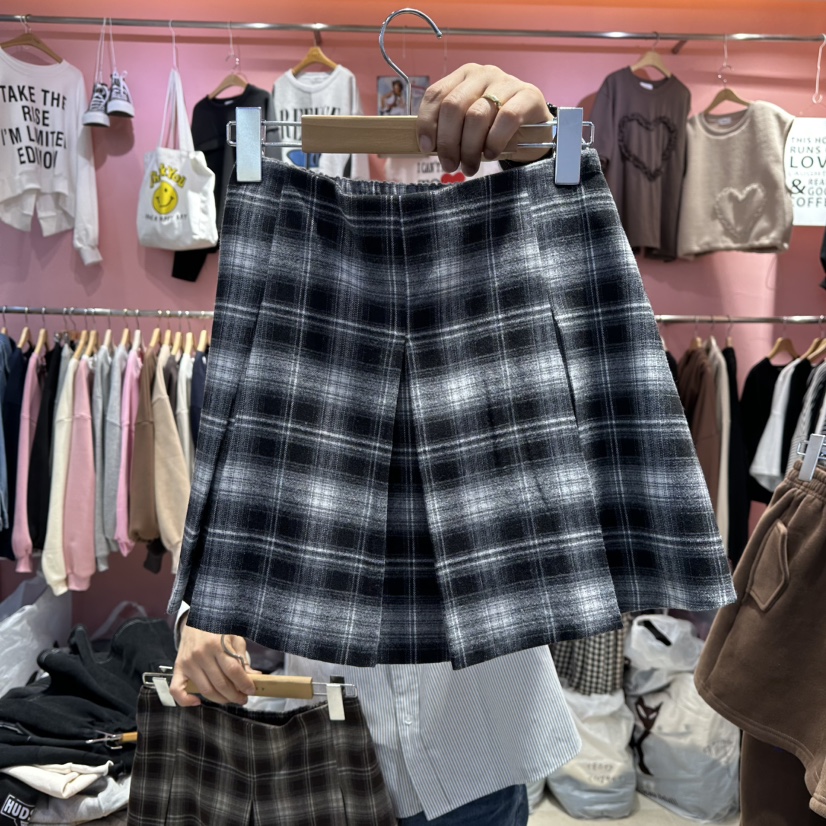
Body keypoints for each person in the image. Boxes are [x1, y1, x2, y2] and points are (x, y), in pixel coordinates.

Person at [171, 64, 570, 826]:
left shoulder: (499, 324)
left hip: (475, 749)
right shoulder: (278, 341)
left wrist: (543, 141)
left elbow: (575, 274)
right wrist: (198, 616)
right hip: (314, 749)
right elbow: (221, 505)